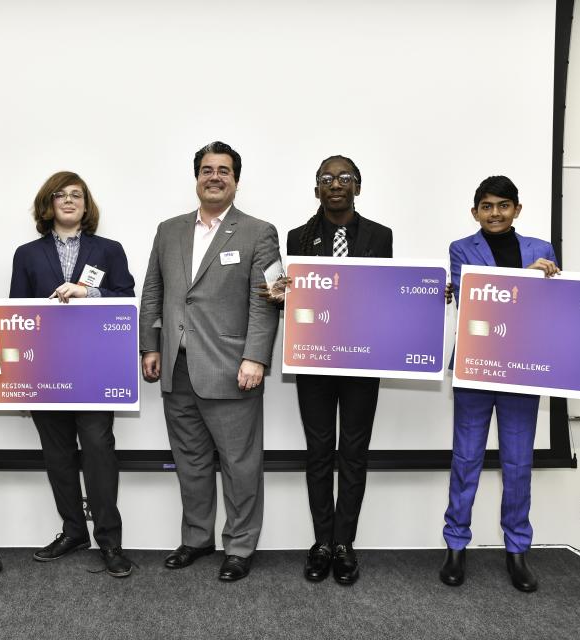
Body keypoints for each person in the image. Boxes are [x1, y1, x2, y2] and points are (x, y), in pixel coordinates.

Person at [139, 141, 281, 581]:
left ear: (236, 180)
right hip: (178, 368)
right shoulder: (169, 229)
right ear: (196, 177)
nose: (214, 176)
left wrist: (255, 357)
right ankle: (197, 538)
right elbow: (153, 292)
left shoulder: (259, 232)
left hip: (231, 367)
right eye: (206, 169)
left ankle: (239, 546)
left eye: (224, 170)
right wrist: (150, 346)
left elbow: (267, 302)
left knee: (240, 464)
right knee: (191, 461)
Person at [9, 171, 136, 578]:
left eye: (76, 195)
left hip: (95, 371)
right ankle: (72, 530)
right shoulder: (26, 254)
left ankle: (110, 540)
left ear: (86, 205)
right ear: (47, 205)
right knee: (58, 456)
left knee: (99, 451)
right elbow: (16, 315)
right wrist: (22, 383)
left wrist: (89, 292)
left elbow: (128, 300)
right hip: (45, 371)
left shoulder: (109, 250)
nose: (68, 201)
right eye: (59, 195)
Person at [439, 175, 559, 593]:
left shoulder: (542, 250)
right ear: (475, 212)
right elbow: (475, 297)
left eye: (503, 205)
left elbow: (555, 306)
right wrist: (526, 278)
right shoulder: (460, 248)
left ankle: (517, 551)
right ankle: (456, 546)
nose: (495, 213)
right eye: (487, 206)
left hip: (523, 368)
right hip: (476, 366)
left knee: (518, 465)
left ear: (517, 210)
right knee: (466, 461)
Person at [280, 156, 393, 585]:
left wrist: (421, 298)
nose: (336, 184)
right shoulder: (297, 238)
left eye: (345, 178)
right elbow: (292, 299)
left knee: (354, 453)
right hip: (314, 362)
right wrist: (281, 296)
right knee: (318, 452)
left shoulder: (380, 236)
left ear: (358, 187)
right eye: (327, 179)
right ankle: (322, 542)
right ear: (317, 191)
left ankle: (345, 543)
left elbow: (388, 294)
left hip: (363, 362)